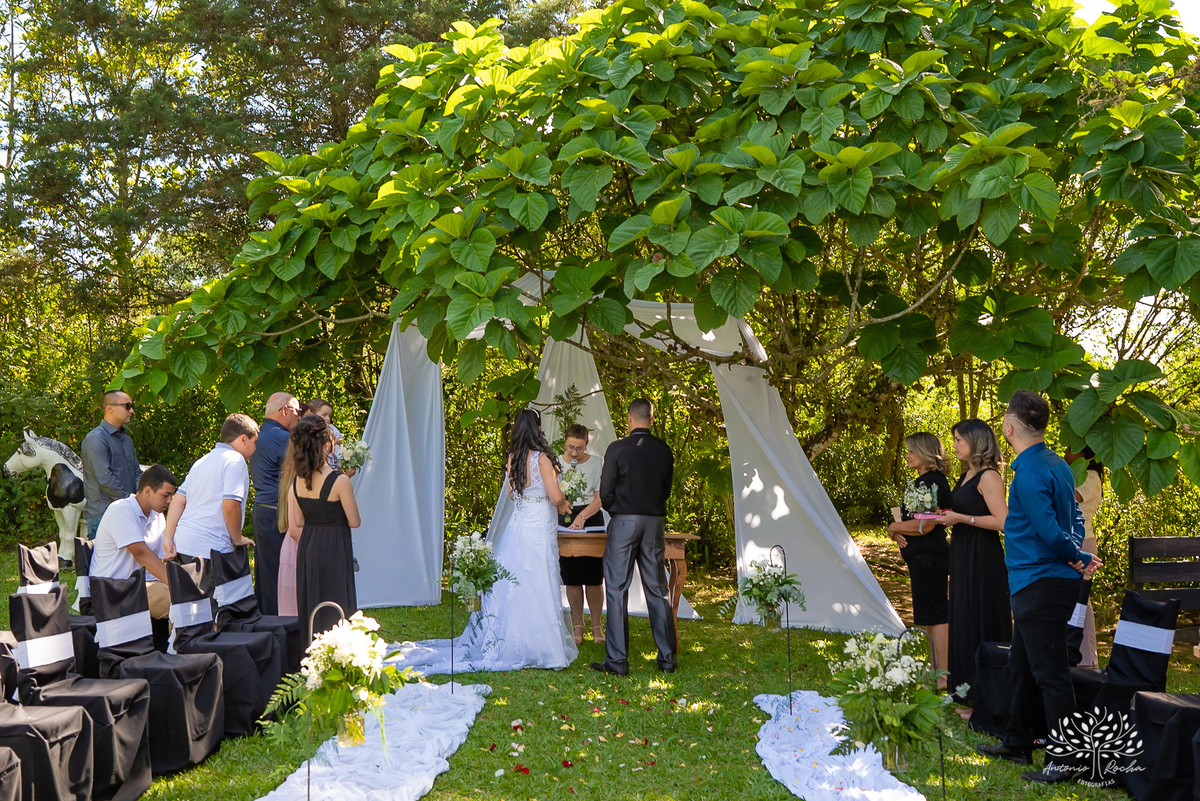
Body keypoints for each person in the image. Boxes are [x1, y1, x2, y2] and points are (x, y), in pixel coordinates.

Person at [976, 391, 1101, 784]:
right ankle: (1016, 741)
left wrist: (1075, 556)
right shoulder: (1059, 466)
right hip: (1045, 578)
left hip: (1039, 581)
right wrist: (1075, 550)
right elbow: (1076, 522)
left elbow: (1049, 530)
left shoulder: (1028, 471)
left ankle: (1066, 758)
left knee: (1050, 672)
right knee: (1023, 664)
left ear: (1009, 428)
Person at [397, 409, 577, 673]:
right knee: (540, 579)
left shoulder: (513, 458)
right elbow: (554, 496)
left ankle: (514, 643)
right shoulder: (542, 459)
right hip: (539, 525)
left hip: (520, 523)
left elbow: (513, 496)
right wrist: (563, 501)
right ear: (538, 428)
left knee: (514, 582)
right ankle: (545, 649)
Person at [593, 399, 677, 676]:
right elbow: (666, 489)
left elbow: (605, 491)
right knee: (657, 588)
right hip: (654, 522)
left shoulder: (617, 449)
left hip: (624, 521)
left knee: (617, 588)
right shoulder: (664, 450)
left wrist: (618, 508)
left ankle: (617, 661)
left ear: (628, 418)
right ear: (652, 420)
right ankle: (667, 659)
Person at [933, 418, 1011, 710]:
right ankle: (963, 691)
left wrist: (962, 519)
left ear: (975, 441)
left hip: (983, 556)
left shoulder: (989, 476)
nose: (954, 445)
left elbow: (1003, 522)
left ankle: (984, 696)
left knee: (980, 618)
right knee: (963, 617)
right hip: (964, 552)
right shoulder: (966, 474)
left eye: (958, 440)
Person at [887, 432, 952, 688]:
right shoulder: (925, 481)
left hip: (930, 558)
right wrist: (899, 532)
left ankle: (943, 675)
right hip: (922, 559)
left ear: (925, 453)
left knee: (936, 615)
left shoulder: (931, 483)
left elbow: (926, 524)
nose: (907, 455)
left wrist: (895, 527)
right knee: (927, 616)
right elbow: (918, 522)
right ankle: (934, 670)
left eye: (911, 451)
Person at [289, 414, 361, 642]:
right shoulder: (340, 481)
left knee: (313, 601)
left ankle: (312, 653)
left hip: (309, 545)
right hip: (335, 547)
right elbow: (355, 521)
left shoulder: (297, 482)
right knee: (337, 600)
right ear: (327, 444)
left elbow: (298, 521)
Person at [163, 414, 259, 562]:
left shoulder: (202, 461)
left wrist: (168, 538)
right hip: (211, 549)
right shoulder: (235, 460)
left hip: (183, 545)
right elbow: (231, 505)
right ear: (243, 439)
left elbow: (179, 500)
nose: (256, 448)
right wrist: (237, 539)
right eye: (255, 442)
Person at [90, 464, 177, 618]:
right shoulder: (121, 510)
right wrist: (177, 585)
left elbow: (161, 561)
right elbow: (141, 554)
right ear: (148, 491)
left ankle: (174, 641)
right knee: (181, 600)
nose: (170, 500)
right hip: (114, 588)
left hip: (139, 585)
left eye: (172, 495)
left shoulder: (156, 516)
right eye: (166, 495)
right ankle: (180, 642)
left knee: (193, 594)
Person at [248, 392, 301, 615]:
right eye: (298, 412)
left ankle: (265, 620)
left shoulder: (259, 435)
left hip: (261, 509)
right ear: (285, 410)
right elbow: (302, 472)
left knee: (265, 572)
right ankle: (280, 623)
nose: (299, 417)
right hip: (278, 513)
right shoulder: (283, 439)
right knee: (282, 572)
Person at [558, 423, 606, 645]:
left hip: (590, 517)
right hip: (565, 517)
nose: (574, 452)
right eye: (570, 447)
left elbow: (599, 498)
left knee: (594, 577)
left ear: (586, 444)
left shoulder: (596, 463)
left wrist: (582, 516)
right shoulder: (557, 462)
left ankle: (597, 625)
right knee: (572, 577)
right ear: (565, 443)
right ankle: (578, 624)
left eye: (579, 447)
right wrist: (564, 508)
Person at [81, 390, 141, 539]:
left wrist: (138, 500)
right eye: (127, 406)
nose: (131, 411)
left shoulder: (126, 440)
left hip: (129, 511)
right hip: (103, 515)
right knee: (104, 562)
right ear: (109, 408)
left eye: (131, 406)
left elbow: (137, 472)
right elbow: (105, 479)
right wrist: (132, 501)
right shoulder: (95, 439)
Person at [1065, 447, 1103, 669]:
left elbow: (1070, 496)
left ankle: (1088, 658)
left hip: (1083, 541)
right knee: (1073, 597)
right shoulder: (1074, 474)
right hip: (1070, 540)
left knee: (1082, 599)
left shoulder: (1090, 476)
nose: (1066, 451)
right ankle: (1072, 651)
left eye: (1072, 448)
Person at [276, 438, 300, 616]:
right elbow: (295, 528)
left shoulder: (290, 476)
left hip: (291, 546)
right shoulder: (298, 482)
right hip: (298, 545)